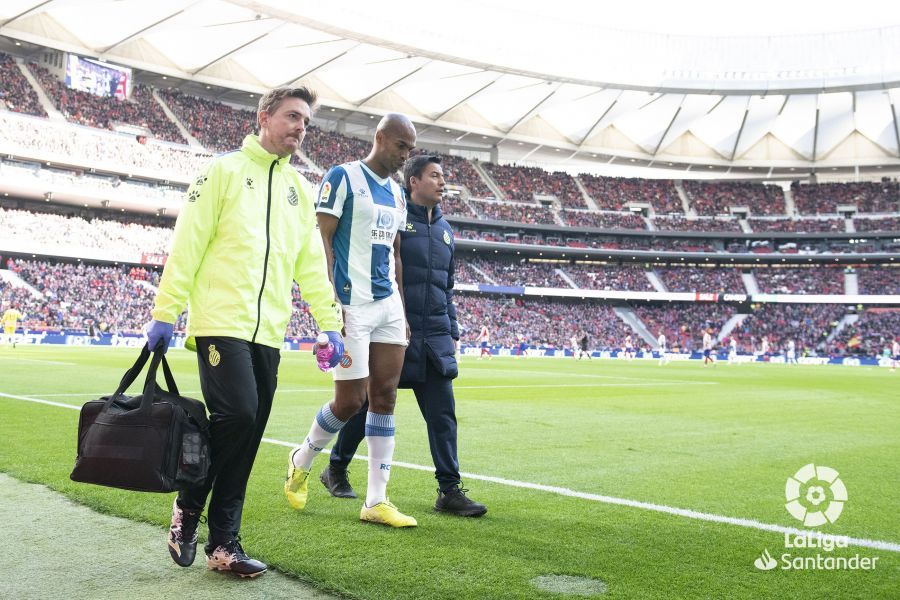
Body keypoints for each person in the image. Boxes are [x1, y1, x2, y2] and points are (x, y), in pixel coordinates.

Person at [145, 86, 344, 578]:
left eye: (306, 121)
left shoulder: (299, 188)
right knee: (240, 414)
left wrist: (330, 321)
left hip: (268, 332)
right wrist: (166, 310)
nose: (300, 127)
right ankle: (189, 506)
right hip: (220, 322)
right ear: (264, 117)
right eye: (292, 116)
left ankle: (223, 545)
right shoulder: (223, 171)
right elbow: (188, 242)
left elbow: (311, 266)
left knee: (248, 432)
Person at [321, 155, 487, 517]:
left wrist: (454, 331)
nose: (443, 183)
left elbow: (448, 287)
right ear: (413, 182)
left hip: (435, 339)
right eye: (435, 176)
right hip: (394, 329)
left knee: (443, 414)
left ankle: (449, 490)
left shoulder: (446, 232)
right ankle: (335, 468)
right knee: (368, 405)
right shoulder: (392, 219)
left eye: (444, 177)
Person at [284, 113, 417, 527]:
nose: (405, 156)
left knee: (386, 396)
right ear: (380, 138)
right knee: (349, 402)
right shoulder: (342, 177)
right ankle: (302, 457)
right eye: (401, 146)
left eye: (410, 150)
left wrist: (403, 310)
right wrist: (328, 307)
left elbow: (395, 252)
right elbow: (322, 238)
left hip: (388, 305)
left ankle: (376, 500)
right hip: (350, 304)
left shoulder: (397, 193)